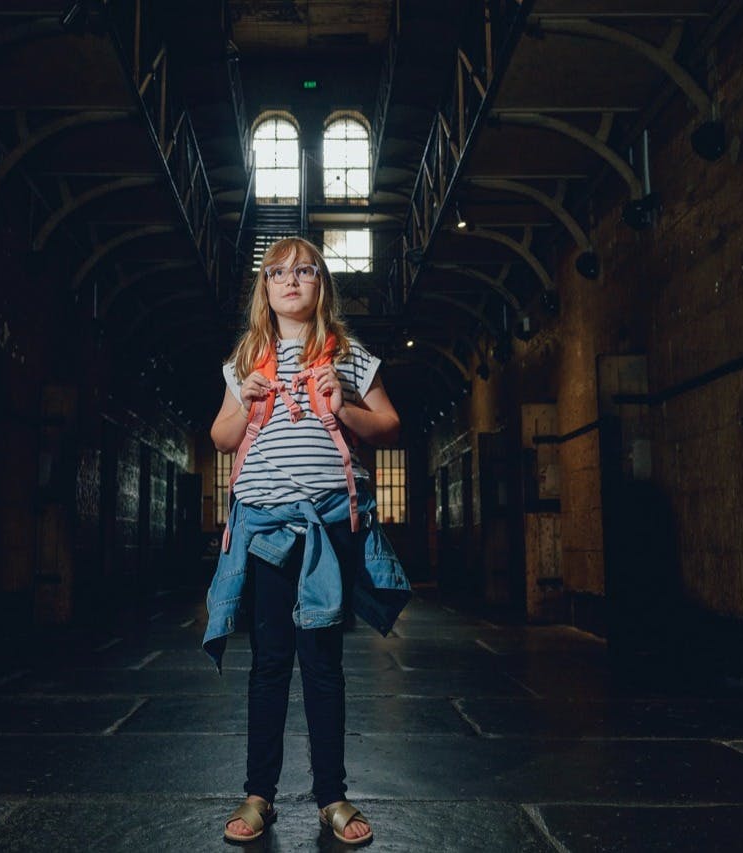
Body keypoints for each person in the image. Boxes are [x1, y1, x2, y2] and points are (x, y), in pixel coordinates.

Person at [204, 236, 412, 845]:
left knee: (322, 664)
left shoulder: (345, 353)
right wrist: (247, 405)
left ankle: (333, 797)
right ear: (264, 289)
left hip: (327, 526)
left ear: (321, 286)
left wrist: (341, 403)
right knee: (269, 663)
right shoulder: (247, 357)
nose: (290, 281)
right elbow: (221, 436)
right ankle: (258, 795)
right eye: (277, 273)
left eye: (305, 271)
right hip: (266, 524)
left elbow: (390, 425)